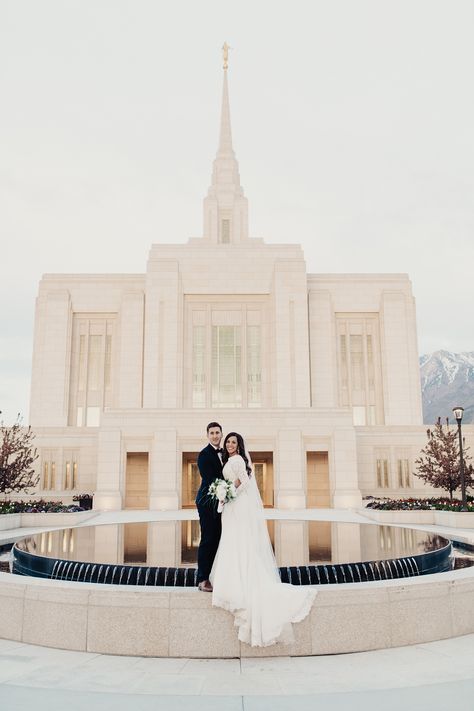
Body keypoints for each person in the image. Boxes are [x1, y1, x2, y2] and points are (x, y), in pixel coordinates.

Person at [210, 432, 317, 647]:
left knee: (238, 540)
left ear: (239, 445)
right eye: (228, 442)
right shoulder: (229, 460)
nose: (230, 444)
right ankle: (235, 578)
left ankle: (242, 581)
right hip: (230, 507)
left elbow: (246, 481)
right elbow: (237, 480)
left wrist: (229, 493)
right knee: (233, 540)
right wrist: (225, 494)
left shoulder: (238, 459)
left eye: (233, 442)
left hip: (237, 506)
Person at [195, 422, 224, 592]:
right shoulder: (204, 455)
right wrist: (229, 488)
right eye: (212, 433)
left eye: (217, 432)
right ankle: (202, 579)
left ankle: (215, 575)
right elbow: (210, 479)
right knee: (208, 539)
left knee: (219, 539)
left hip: (221, 503)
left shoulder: (225, 453)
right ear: (208, 435)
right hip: (207, 503)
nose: (215, 435)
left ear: (221, 434)